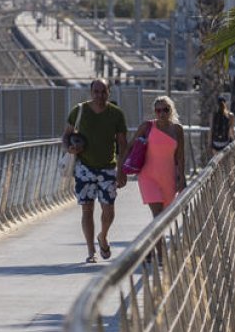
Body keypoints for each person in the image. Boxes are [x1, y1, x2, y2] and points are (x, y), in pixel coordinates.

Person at [62, 79, 128, 263]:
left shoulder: (116, 114)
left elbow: (123, 145)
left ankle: (103, 236)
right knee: (87, 209)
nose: (100, 95)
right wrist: (70, 148)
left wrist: (122, 171)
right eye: (96, 92)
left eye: (103, 92)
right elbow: (66, 135)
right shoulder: (79, 110)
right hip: (84, 168)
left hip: (108, 168)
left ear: (109, 93)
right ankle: (91, 252)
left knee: (108, 210)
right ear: (91, 92)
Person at [124, 96, 186, 217]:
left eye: (165, 110)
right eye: (158, 110)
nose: (162, 113)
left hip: (169, 178)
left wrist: (182, 178)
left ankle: (159, 237)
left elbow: (180, 156)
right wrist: (121, 170)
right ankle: (158, 237)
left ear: (171, 110)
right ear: (155, 112)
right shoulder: (147, 127)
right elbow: (130, 146)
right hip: (148, 177)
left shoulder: (177, 129)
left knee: (163, 216)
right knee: (157, 214)